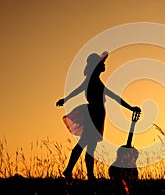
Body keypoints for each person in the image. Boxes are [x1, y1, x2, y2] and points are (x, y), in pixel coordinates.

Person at [56, 51, 141, 180]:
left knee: (89, 145)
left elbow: (112, 96)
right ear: (96, 66)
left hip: (97, 113)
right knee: (85, 143)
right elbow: (114, 97)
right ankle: (72, 171)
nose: (104, 65)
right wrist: (65, 99)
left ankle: (86, 174)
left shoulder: (94, 80)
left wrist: (65, 99)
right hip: (94, 113)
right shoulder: (93, 80)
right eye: (102, 63)